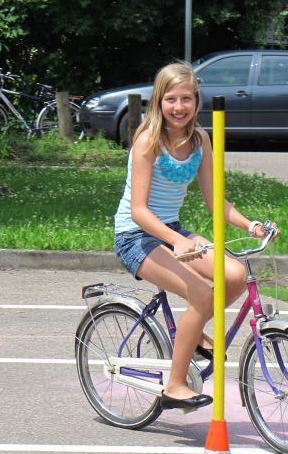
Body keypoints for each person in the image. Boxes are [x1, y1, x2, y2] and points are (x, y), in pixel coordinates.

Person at [113, 61, 275, 411]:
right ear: (159, 101)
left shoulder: (200, 139)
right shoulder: (148, 141)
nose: (179, 107)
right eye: (171, 99)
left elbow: (216, 201)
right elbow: (139, 211)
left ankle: (194, 329)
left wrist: (250, 225)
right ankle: (175, 385)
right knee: (201, 294)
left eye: (186, 98)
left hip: (171, 230)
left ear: (197, 101)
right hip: (135, 236)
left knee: (235, 275)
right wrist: (176, 241)